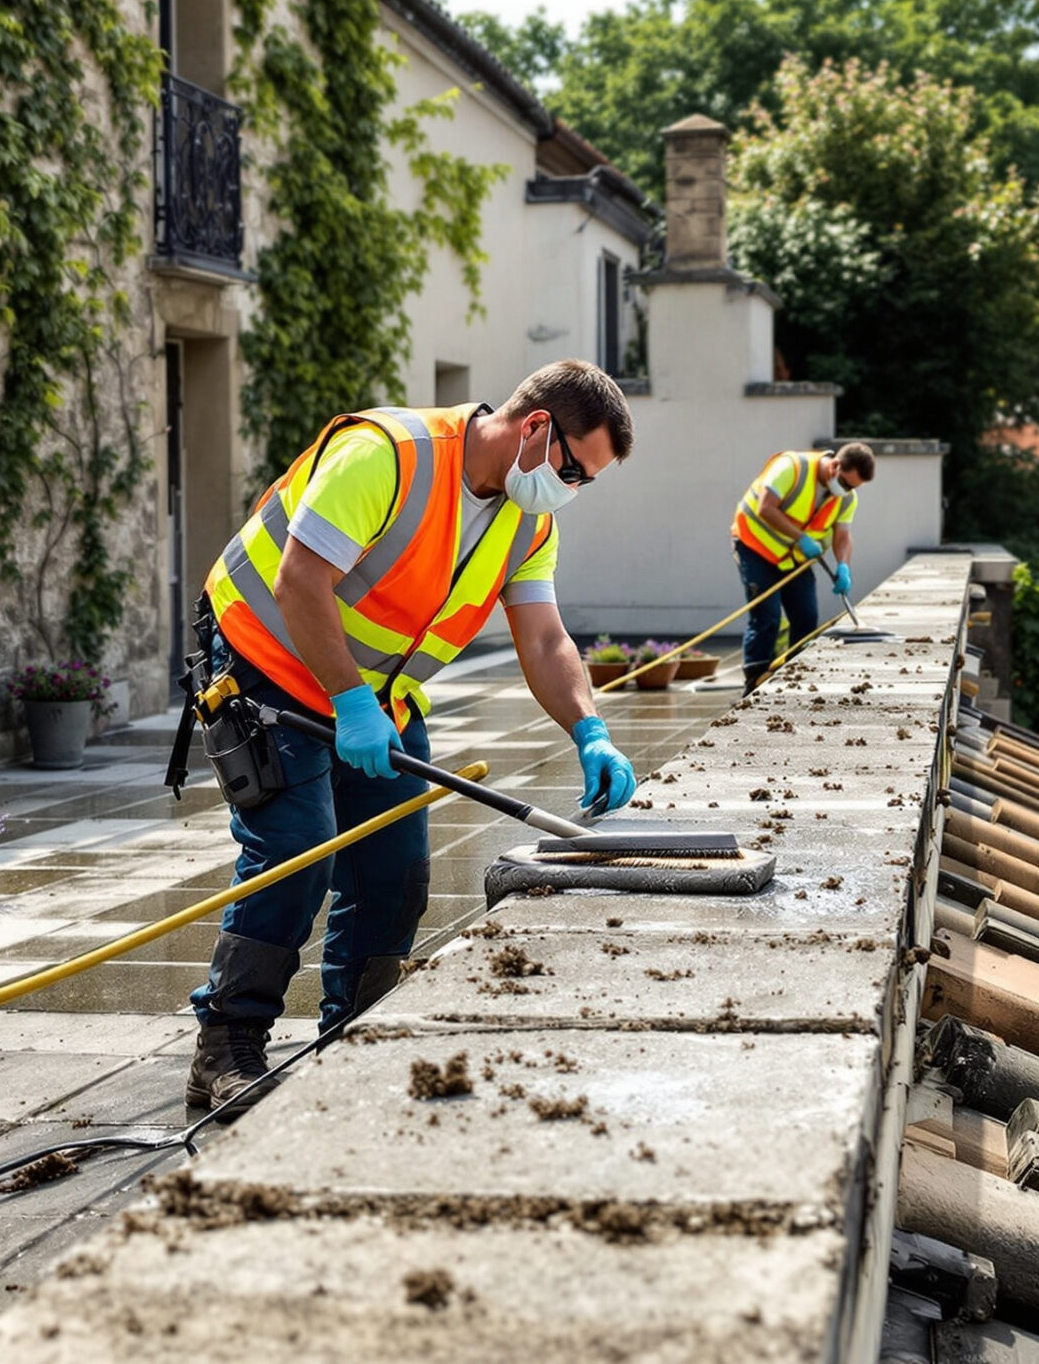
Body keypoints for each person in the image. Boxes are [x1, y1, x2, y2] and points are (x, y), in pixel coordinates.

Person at [187, 360, 638, 1113]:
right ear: (534, 427)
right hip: (260, 655)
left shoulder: (528, 521)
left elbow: (545, 638)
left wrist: (590, 729)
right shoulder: (389, 454)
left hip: (372, 692)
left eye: (586, 480)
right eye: (573, 469)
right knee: (297, 847)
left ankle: (354, 1035)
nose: (573, 489)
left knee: (395, 868)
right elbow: (301, 579)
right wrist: (347, 700)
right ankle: (226, 1044)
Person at [730, 442, 874, 695]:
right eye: (846, 483)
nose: (847, 490)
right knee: (767, 616)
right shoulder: (791, 468)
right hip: (754, 547)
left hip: (793, 559)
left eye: (853, 487)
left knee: (806, 616)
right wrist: (801, 538)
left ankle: (793, 679)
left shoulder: (846, 498)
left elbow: (842, 535)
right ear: (835, 466)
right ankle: (754, 683)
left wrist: (843, 566)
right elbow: (765, 507)